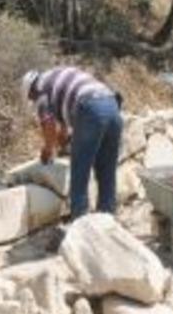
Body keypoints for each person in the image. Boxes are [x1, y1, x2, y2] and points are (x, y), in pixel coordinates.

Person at [21, 66, 123, 220]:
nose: (33, 101)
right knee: (106, 169)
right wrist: (63, 141)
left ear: (30, 90)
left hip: (90, 108)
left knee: (80, 170)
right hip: (111, 104)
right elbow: (62, 128)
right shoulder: (56, 77)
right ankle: (107, 218)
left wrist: (47, 151)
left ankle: (80, 222)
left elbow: (49, 127)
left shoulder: (40, 90)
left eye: (31, 98)